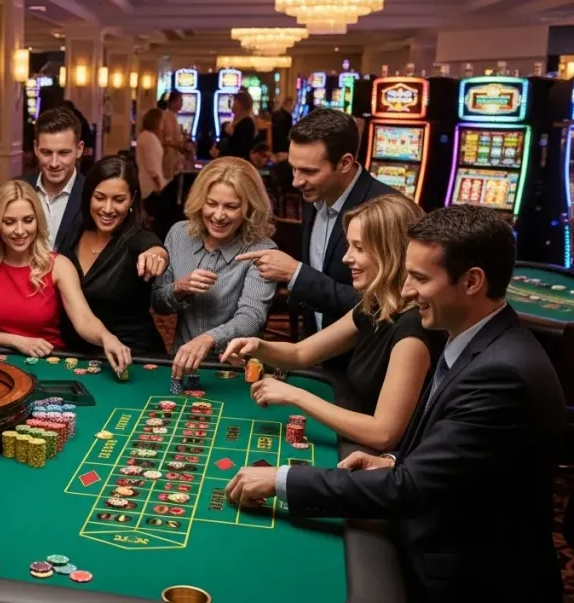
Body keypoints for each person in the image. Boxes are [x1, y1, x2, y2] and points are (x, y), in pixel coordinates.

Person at [225, 205, 564, 603]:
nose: (405, 290)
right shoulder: (474, 342)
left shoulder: (503, 373)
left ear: (472, 281)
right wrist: (393, 460)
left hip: (469, 581)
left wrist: (281, 480)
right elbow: (460, 459)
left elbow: (409, 489)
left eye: (420, 278)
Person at [220, 195, 444, 451]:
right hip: (354, 441)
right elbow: (301, 353)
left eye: (359, 248)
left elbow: (384, 433)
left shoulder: (413, 327)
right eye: (349, 246)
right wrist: (256, 346)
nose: (346, 258)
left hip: (382, 464)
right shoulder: (374, 305)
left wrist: (295, 396)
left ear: (390, 251)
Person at [239, 108, 400, 340]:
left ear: (344, 163)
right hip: (315, 347)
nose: (296, 181)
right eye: (294, 167)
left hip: (361, 359)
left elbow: (385, 304)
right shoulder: (315, 193)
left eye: (309, 171)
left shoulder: (386, 211)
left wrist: (296, 274)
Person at [0, 180, 132, 372]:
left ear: (38, 220)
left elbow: (84, 319)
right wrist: (18, 341)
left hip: (49, 362)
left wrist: (106, 337)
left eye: (28, 220)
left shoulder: (59, 265)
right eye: (9, 222)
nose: (20, 231)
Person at [152, 157, 277, 377]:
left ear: (249, 207)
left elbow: (251, 317)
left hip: (236, 369)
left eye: (231, 206)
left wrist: (209, 339)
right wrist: (179, 288)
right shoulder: (179, 234)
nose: (218, 216)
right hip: (182, 364)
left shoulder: (262, 249)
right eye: (211, 204)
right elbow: (159, 304)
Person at [64, 156, 169, 355]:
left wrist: (157, 256)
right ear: (88, 196)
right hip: (77, 354)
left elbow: (154, 249)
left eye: (118, 200)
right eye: (100, 197)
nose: (108, 209)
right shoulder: (74, 233)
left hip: (132, 357)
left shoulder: (138, 238)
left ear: (132, 198)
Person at [20, 107, 85, 255]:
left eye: (63, 153)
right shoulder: (19, 189)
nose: (54, 163)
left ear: (79, 149)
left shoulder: (91, 193)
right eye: (46, 152)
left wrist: (149, 246)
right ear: (36, 148)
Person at [212, 90, 256, 160]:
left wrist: (220, 153)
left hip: (238, 163)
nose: (231, 104)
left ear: (240, 104)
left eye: (234, 101)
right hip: (229, 161)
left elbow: (240, 149)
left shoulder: (247, 123)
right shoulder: (234, 123)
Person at [134, 108, 167, 202]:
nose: (163, 124)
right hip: (151, 187)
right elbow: (152, 166)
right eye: (162, 121)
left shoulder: (146, 135)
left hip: (147, 184)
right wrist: (159, 186)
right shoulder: (148, 138)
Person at [270, 96, 294, 162]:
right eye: (292, 106)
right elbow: (288, 136)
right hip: (283, 149)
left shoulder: (276, 114)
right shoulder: (287, 117)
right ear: (289, 105)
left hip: (274, 148)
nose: (293, 108)